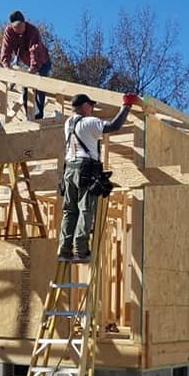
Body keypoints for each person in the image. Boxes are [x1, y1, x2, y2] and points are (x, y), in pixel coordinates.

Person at [59, 92, 139, 260]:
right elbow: (113, 126)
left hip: (69, 170)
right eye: (91, 106)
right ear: (85, 106)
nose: (92, 109)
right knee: (86, 209)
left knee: (69, 210)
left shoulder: (68, 123)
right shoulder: (89, 122)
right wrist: (126, 106)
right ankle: (81, 250)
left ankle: (65, 249)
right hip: (85, 170)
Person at [0, 10, 52, 120]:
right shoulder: (9, 31)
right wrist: (7, 66)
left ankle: (39, 115)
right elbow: (6, 49)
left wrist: (33, 69)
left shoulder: (33, 31)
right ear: (12, 26)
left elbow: (35, 50)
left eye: (21, 26)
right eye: (16, 27)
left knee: (39, 85)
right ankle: (29, 114)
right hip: (24, 61)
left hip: (42, 62)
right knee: (24, 87)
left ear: (24, 23)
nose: (19, 30)